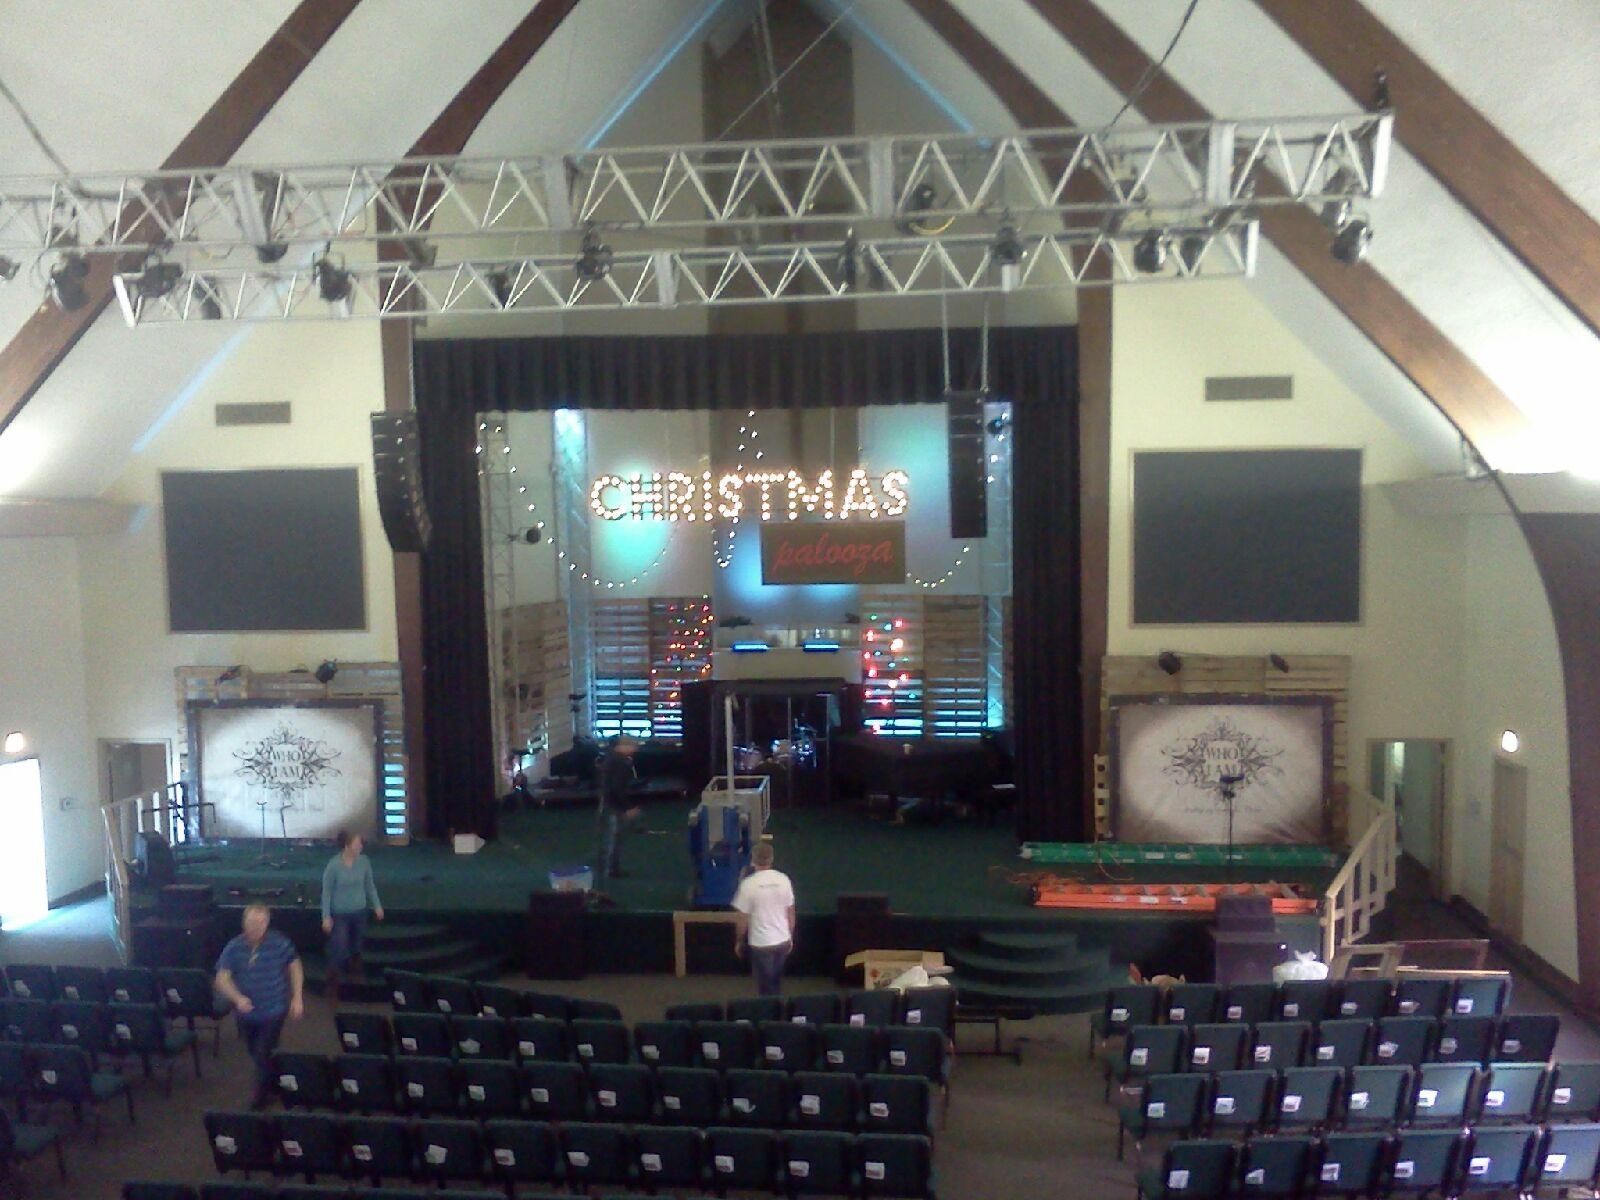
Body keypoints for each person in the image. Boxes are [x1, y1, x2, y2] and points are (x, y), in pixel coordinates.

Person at [214, 904, 304, 1109]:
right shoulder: (234, 947)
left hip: (274, 1010)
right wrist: (237, 998)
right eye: (251, 922)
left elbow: (295, 966)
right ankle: (278, 1083)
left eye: (260, 922)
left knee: (263, 1053)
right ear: (244, 922)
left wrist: (297, 997)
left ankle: (259, 1102)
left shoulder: (279, 943)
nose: (255, 926)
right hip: (246, 1015)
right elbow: (221, 978)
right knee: (258, 1053)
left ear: (267, 923)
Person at [320, 830, 384, 1003]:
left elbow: (370, 885)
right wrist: (326, 916)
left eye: (361, 844)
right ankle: (332, 983)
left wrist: (377, 906)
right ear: (347, 846)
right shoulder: (333, 866)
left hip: (359, 911)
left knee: (356, 944)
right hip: (340, 914)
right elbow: (326, 892)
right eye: (357, 844)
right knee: (339, 946)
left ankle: (355, 971)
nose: (360, 846)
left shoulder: (364, 862)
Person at [730, 841, 796, 997]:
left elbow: (742, 919)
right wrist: (790, 936)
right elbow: (791, 913)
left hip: (760, 944)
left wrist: (739, 941)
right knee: (776, 981)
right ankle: (777, 1014)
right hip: (782, 939)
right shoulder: (784, 880)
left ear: (753, 860)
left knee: (764, 986)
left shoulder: (748, 884)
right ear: (771, 859)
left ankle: (768, 1015)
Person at [596, 735, 642, 881]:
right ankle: (611, 869)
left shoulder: (610, 757)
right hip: (615, 804)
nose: (635, 750)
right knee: (615, 838)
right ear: (624, 746)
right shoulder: (621, 763)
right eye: (633, 746)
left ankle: (606, 867)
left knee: (610, 836)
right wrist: (627, 808)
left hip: (607, 801)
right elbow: (618, 788)